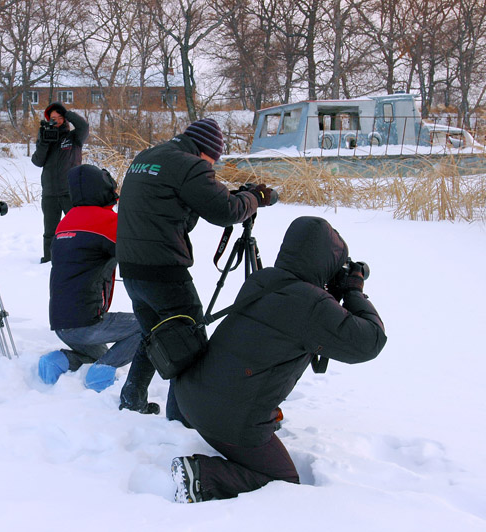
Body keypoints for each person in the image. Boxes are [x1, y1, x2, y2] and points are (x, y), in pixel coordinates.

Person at [169, 217, 387, 502]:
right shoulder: (311, 304)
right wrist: (353, 292)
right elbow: (370, 342)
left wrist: (329, 294)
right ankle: (201, 477)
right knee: (282, 481)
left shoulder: (264, 279)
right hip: (224, 418)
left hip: (190, 395)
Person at [116, 117, 273, 414]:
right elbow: (226, 211)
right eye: (212, 162)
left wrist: (234, 195)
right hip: (164, 270)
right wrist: (255, 198)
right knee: (188, 344)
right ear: (206, 152)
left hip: (132, 268)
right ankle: (183, 418)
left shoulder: (149, 156)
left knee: (157, 334)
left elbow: (184, 204)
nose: (212, 168)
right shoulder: (190, 164)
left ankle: (131, 398)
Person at [38, 164, 143, 392]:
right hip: (87, 322)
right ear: (104, 190)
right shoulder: (106, 221)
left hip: (62, 324)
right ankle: (101, 375)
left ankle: (57, 361)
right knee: (149, 326)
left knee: (99, 353)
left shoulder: (66, 222)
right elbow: (138, 255)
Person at [31, 101, 89, 263]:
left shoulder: (74, 138)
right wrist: (44, 141)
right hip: (49, 193)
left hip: (70, 191)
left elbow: (84, 126)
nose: (55, 121)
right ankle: (49, 259)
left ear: (64, 119)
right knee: (50, 231)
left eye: (59, 117)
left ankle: (79, 259)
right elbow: (37, 161)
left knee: (76, 227)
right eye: (52, 118)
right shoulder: (45, 138)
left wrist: (67, 112)